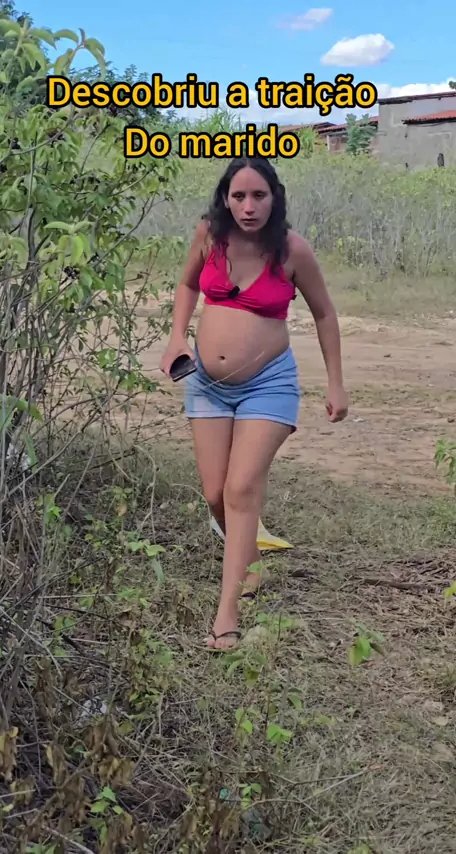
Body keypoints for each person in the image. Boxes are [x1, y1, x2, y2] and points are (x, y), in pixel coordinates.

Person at [160, 156, 348, 651]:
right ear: (225, 199)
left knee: (241, 487)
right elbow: (186, 284)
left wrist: (336, 383)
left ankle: (227, 616)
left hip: (269, 384)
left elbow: (325, 314)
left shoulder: (291, 249)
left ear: (274, 198)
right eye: (239, 196)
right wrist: (177, 337)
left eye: (258, 196)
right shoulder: (209, 236)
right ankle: (251, 561)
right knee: (214, 494)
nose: (248, 207)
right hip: (206, 383)